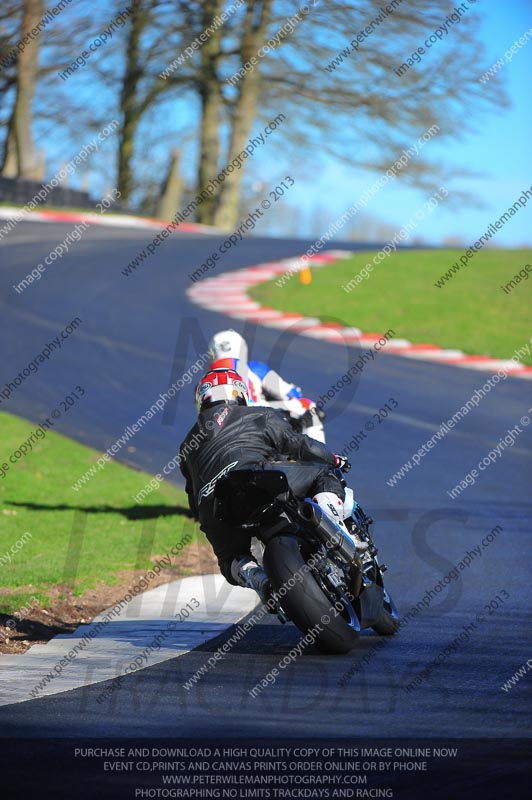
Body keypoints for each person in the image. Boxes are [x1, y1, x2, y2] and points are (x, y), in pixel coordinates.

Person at [179, 367, 366, 603]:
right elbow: (300, 445)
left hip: (214, 504)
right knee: (323, 473)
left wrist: (208, 519)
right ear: (240, 393)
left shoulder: (187, 446)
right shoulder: (259, 414)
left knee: (230, 558)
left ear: (202, 401)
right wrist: (335, 459)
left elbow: (193, 501)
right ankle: (340, 532)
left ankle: (255, 577)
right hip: (256, 477)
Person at [207, 329, 325, 442]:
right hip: (255, 412)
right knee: (308, 406)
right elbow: (289, 393)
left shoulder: (204, 382)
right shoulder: (254, 368)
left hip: (219, 428)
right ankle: (318, 452)